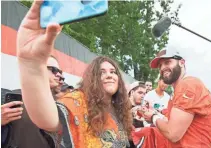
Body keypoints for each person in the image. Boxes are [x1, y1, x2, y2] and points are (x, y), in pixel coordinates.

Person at [16, 1, 132, 147]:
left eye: (113, 72)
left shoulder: (120, 109)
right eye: (102, 73)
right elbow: (47, 119)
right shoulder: (79, 101)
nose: (109, 75)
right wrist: (31, 64)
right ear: (92, 79)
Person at [141, 49, 211, 147]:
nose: (163, 68)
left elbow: (172, 133)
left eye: (167, 62)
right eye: (160, 66)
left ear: (182, 62)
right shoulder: (177, 92)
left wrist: (153, 117)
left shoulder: (187, 84)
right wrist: (155, 114)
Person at [1, 56, 65, 148]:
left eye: (60, 72)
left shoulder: (61, 104)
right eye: (54, 70)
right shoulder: (12, 98)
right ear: (35, 69)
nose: (59, 75)